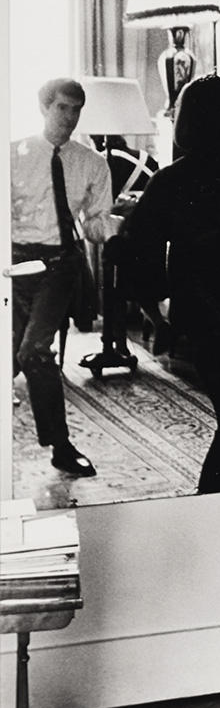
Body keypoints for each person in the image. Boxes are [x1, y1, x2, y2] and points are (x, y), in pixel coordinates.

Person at [122, 75, 220, 494]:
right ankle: (209, 500)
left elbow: (139, 250)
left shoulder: (168, 181)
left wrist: (155, 308)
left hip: (197, 310)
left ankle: (209, 500)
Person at [10, 77, 113, 477]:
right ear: (44, 108)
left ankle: (61, 447)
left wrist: (106, 229)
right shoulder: (13, 154)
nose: (69, 118)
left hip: (60, 264)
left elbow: (97, 221)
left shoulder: (91, 163)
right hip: (15, 263)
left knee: (33, 350)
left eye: (76, 110)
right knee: (12, 358)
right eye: (62, 108)